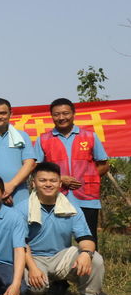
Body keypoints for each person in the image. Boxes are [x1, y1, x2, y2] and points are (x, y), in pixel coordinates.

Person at [18, 162, 110, 295]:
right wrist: (32, 268)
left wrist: (86, 254)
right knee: (36, 287)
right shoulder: (22, 208)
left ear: (60, 184)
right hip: (33, 258)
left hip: (61, 257)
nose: (48, 184)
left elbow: (86, 238)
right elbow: (20, 243)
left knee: (95, 258)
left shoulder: (71, 207)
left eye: (53, 180)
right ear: (33, 183)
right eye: (42, 180)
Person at [34, 98, 109, 244]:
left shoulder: (90, 136)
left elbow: (104, 165)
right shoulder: (43, 139)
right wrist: (59, 179)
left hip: (87, 197)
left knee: (89, 238)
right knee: (57, 239)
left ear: (74, 114)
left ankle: (89, 259)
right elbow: (36, 168)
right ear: (51, 116)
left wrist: (86, 179)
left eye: (65, 113)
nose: (61, 117)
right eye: (56, 114)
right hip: (55, 197)